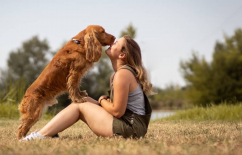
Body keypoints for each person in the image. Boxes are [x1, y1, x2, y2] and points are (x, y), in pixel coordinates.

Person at [20, 35, 153, 141]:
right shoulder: (122, 73)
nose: (112, 42)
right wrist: (98, 101)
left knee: (79, 106)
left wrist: (101, 101)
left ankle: (40, 136)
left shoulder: (122, 74)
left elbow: (117, 112)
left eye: (117, 43)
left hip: (130, 130)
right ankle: (49, 133)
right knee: (83, 99)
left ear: (122, 55)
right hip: (132, 126)